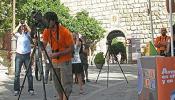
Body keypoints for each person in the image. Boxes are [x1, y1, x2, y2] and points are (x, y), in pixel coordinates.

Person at [42, 12, 74, 100]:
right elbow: (43, 46)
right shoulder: (46, 31)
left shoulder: (64, 31)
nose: (46, 23)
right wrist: (35, 40)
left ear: (53, 21)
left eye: (47, 21)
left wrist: (59, 53)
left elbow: (71, 48)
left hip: (65, 61)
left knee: (66, 85)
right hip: (54, 61)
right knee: (57, 84)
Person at [11, 20, 34, 96]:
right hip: (19, 55)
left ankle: (31, 89)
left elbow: (31, 31)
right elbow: (13, 32)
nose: (22, 28)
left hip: (27, 55)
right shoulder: (18, 35)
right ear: (20, 28)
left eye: (23, 27)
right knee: (17, 74)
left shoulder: (28, 34)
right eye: (22, 27)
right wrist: (19, 24)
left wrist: (26, 24)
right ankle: (16, 90)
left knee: (29, 74)